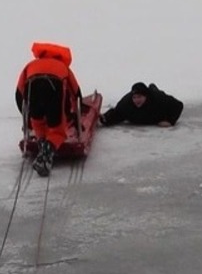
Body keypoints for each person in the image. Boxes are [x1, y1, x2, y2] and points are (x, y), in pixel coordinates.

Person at [14, 41, 83, 177]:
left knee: (38, 121)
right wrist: (75, 115)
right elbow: (76, 93)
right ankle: (47, 153)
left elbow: (19, 93)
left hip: (32, 88)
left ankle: (42, 142)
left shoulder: (30, 65)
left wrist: (26, 118)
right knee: (58, 129)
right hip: (53, 88)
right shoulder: (63, 67)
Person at [100, 81, 183, 127]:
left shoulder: (158, 98)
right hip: (142, 117)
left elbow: (178, 105)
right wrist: (104, 119)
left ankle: (152, 87)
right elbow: (116, 113)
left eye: (139, 97)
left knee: (154, 91)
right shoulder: (126, 103)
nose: (136, 100)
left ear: (146, 96)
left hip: (154, 99)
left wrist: (170, 121)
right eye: (134, 97)